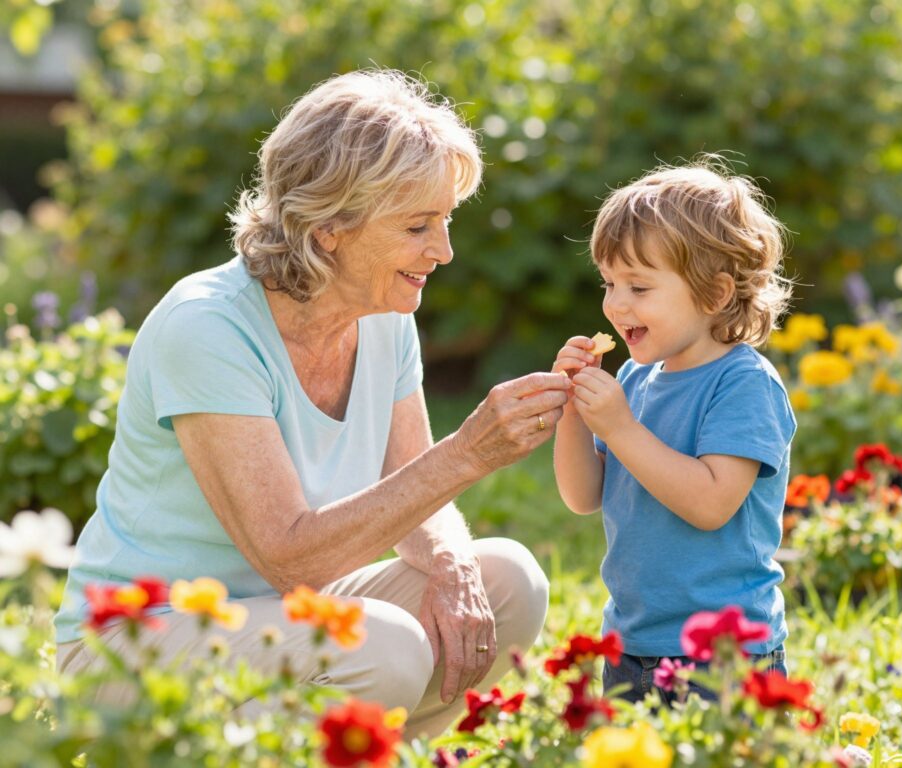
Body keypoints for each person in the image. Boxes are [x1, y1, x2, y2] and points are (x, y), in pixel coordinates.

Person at [53, 69, 571, 737]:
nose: (444, 251)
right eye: (418, 225)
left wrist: (449, 562)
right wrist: (469, 454)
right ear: (329, 226)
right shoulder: (207, 329)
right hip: (134, 643)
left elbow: (412, 492)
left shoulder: (383, 312)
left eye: (444, 221)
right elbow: (289, 557)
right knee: (383, 646)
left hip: (283, 618)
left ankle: (372, 752)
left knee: (508, 585)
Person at [551, 159, 796, 704]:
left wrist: (619, 426)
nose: (615, 304)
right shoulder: (635, 378)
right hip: (632, 642)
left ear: (713, 294)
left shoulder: (743, 385)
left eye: (638, 286)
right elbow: (582, 495)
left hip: (724, 655)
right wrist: (574, 411)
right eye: (609, 283)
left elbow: (710, 504)